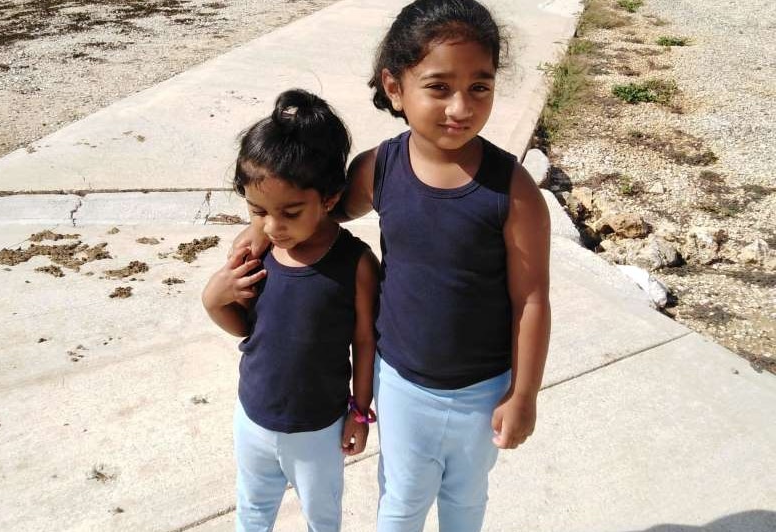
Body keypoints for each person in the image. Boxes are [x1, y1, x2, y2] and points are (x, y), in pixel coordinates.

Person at [231, 0, 551, 530]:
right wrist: (261, 228)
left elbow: (532, 298)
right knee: (400, 504)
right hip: (400, 384)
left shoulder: (512, 192)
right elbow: (321, 207)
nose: (460, 107)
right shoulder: (380, 169)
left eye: (480, 86)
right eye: (439, 86)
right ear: (395, 88)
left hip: (483, 390)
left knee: (466, 502)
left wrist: (524, 395)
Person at [202, 88, 379, 532]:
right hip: (254, 416)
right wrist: (214, 296)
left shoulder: (355, 264)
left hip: (318, 429)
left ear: (330, 199)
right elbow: (244, 328)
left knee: (322, 517)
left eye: (290, 212)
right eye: (257, 210)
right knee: (253, 509)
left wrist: (359, 410)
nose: (273, 226)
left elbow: (365, 342)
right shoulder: (253, 251)